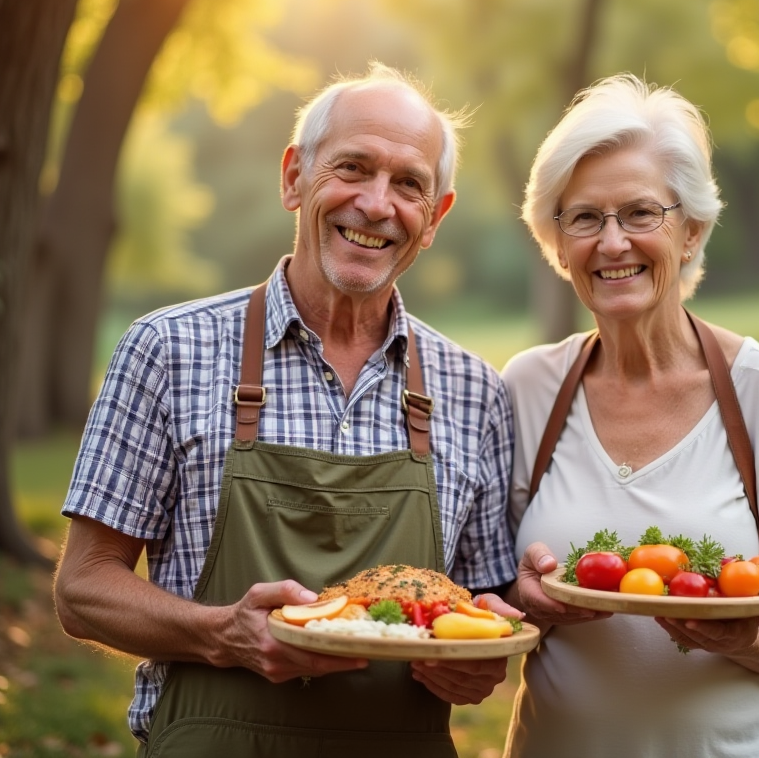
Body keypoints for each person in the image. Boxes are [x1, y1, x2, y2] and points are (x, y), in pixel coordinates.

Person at [53, 62, 519, 757]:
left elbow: (487, 621)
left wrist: (479, 665)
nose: (376, 204)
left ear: (434, 218)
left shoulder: (475, 391)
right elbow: (82, 590)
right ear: (293, 177)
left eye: (409, 184)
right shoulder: (167, 350)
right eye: (352, 168)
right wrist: (221, 635)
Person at [500, 74, 759, 757]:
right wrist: (522, 595)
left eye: (639, 213)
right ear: (557, 241)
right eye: (584, 217)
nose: (612, 243)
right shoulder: (526, 388)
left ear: (690, 231)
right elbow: (488, 588)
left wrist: (744, 636)